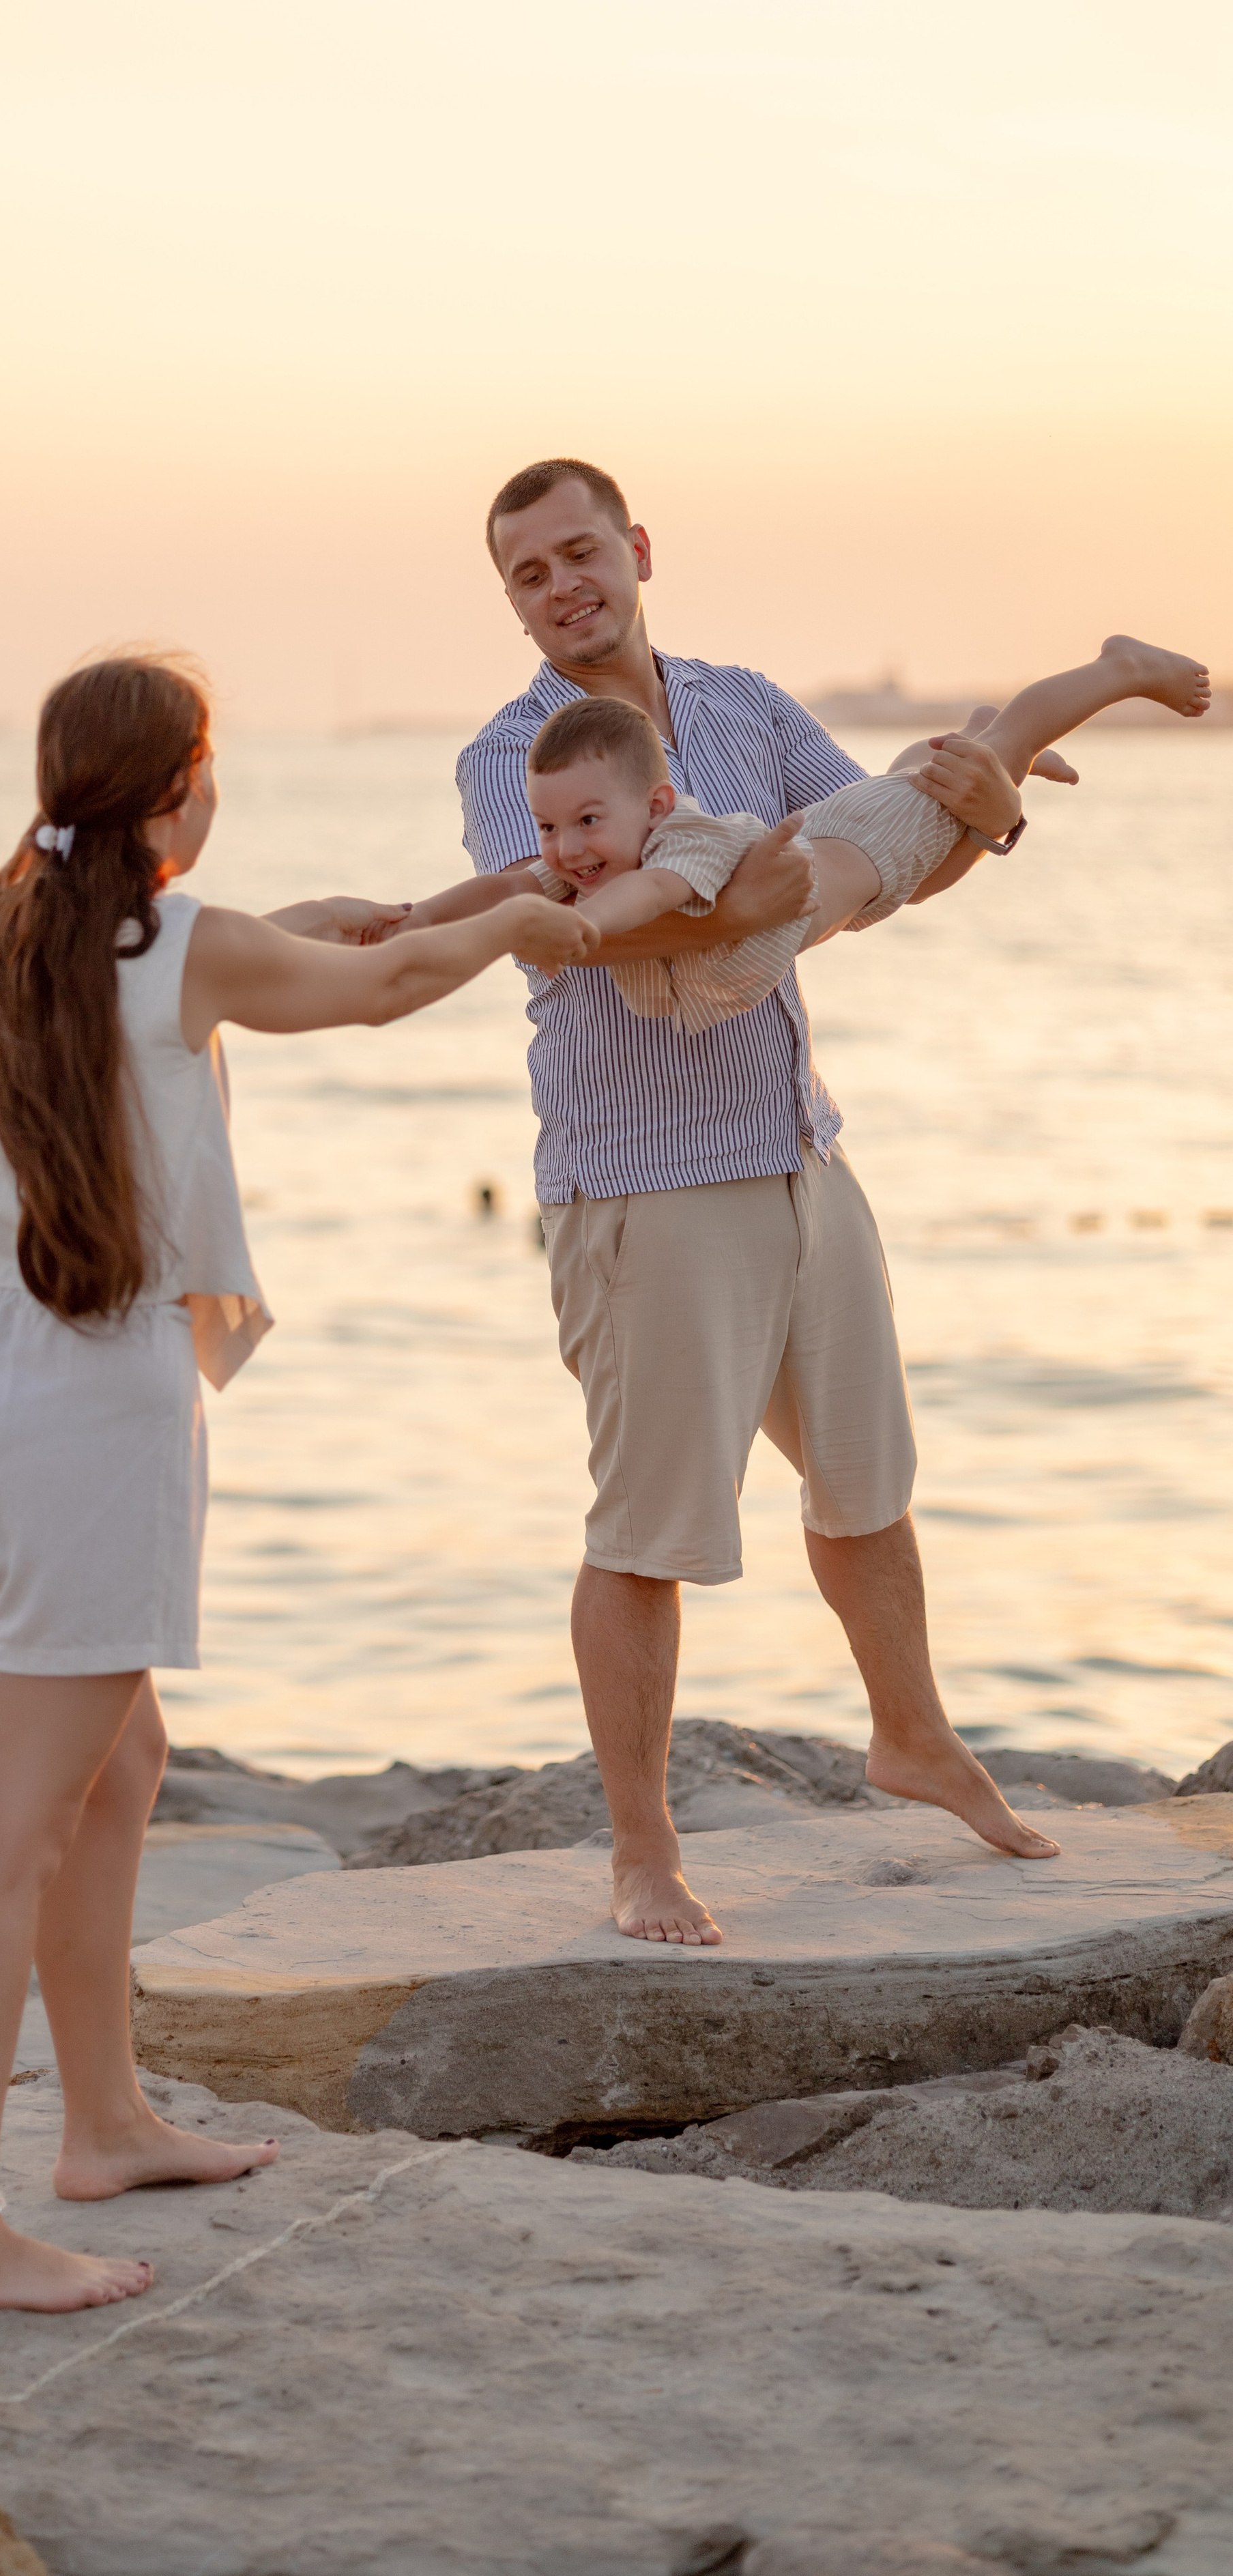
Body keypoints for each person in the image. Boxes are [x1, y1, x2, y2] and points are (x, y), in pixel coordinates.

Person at [0, 653, 594, 2316]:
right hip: (88, 1390)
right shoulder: (168, 943)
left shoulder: (11, 920)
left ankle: (107, 2117)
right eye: (210, 769)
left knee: (116, 1764)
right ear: (170, 791)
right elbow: (356, 995)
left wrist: (356, 911)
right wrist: (512, 925)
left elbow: (191, 974)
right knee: (1, 1832)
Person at [398, 455, 1075, 1949]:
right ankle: (640, 1856)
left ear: (635, 547)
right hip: (645, 1190)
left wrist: (981, 808)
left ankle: (912, 1739)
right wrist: (789, 878)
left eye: (579, 551)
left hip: (795, 1150)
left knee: (866, 1489)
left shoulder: (745, 706)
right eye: (527, 572)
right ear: (510, 599)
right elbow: (605, 921)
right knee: (645, 1533)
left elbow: (868, 871)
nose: (561, 584)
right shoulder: (506, 757)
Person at [517, 631, 1206, 1029]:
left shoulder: (675, 853)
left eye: (583, 822)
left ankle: (1120, 669)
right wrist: (427, 917)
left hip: (864, 848)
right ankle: (973, 741)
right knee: (921, 787)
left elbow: (622, 910)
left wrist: (571, 935)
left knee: (1011, 745)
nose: (566, 844)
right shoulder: (594, 839)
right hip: (856, 840)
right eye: (550, 827)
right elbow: (507, 888)